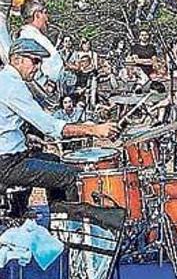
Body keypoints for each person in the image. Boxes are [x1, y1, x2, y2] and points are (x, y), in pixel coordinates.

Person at [0, 39, 118, 202]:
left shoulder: (4, 80)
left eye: (39, 62)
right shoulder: (12, 85)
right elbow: (50, 127)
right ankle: (71, 222)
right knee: (71, 175)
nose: (37, 67)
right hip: (7, 164)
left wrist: (23, 138)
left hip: (11, 156)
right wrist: (94, 130)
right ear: (17, 59)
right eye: (34, 61)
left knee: (54, 159)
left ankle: (56, 216)